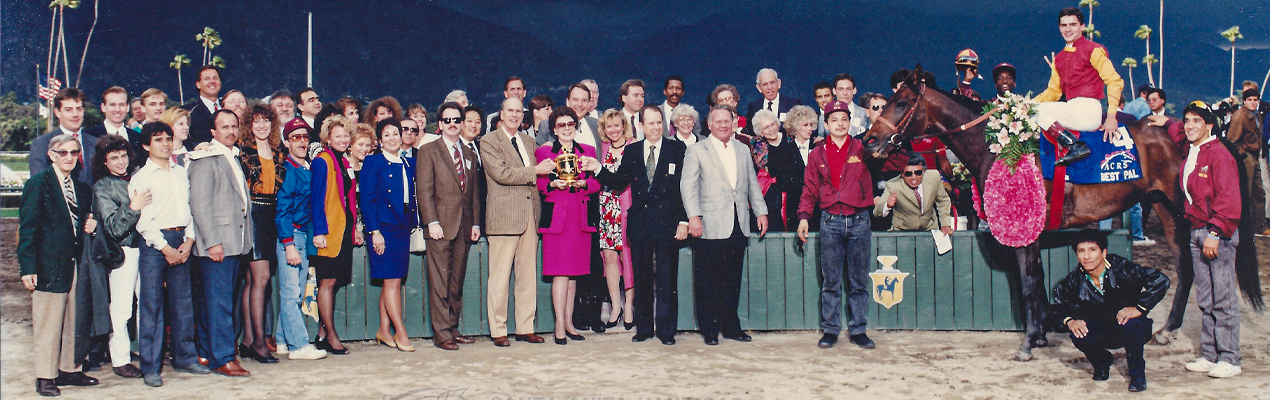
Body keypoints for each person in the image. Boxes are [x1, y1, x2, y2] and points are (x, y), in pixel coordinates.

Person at [586, 105, 689, 345]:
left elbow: (685, 188)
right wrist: (598, 169)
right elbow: (618, 181)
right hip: (640, 225)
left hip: (668, 224)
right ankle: (643, 329)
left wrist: (684, 219)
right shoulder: (632, 151)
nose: (655, 127)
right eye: (650, 123)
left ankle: (666, 331)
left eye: (658, 122)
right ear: (640, 125)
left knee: (666, 279)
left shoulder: (677, 148)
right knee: (642, 279)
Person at [19, 133, 101, 396]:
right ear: (52, 155)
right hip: (48, 265)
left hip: (76, 263)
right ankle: (45, 376)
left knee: (75, 320)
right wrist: (28, 267)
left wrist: (91, 225)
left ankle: (70, 369)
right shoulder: (38, 184)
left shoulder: (82, 189)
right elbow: (28, 229)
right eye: (63, 152)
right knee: (48, 322)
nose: (69, 157)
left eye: (73, 152)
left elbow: (82, 222)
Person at [129, 122, 209, 387]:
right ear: (145, 145)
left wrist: (189, 240)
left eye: (167, 138)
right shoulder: (142, 177)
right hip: (154, 245)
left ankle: (185, 358)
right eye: (158, 139)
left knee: (183, 303)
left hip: (181, 239)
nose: (164, 144)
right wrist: (165, 248)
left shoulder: (180, 172)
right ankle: (150, 366)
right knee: (152, 305)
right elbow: (143, 221)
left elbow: (188, 208)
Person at [682, 104, 769, 345]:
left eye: (727, 121)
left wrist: (761, 212)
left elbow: (752, 183)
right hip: (708, 225)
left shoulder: (742, 149)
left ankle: (731, 327)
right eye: (718, 121)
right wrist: (693, 217)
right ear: (709, 125)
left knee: (732, 280)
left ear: (734, 124)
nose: (723, 125)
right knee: (707, 281)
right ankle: (709, 330)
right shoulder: (697, 150)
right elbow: (688, 187)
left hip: (737, 225)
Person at [796, 100, 875, 350]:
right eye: (834, 120)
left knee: (858, 280)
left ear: (850, 122)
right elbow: (809, 188)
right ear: (826, 124)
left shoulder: (863, 148)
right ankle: (830, 330)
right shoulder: (817, 153)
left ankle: (858, 329)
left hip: (860, 221)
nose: (840, 124)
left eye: (844, 119)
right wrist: (804, 217)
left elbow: (891, 161)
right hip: (830, 222)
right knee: (831, 281)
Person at [1047, 230, 1169, 392]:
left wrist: (1139, 308)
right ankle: (1102, 362)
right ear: (1077, 255)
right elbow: (1057, 306)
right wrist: (1070, 320)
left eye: (1092, 250)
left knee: (1131, 324)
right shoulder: (1074, 279)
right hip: (1101, 329)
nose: (1087, 256)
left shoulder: (1121, 267)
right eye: (1081, 251)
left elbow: (1161, 280)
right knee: (1078, 333)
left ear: (1103, 252)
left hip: (1130, 326)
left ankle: (1137, 374)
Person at [480, 99, 556, 347]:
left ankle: (525, 327)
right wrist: (536, 171)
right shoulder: (489, 141)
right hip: (504, 217)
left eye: (518, 111)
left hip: (530, 216)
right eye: (509, 111)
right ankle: (498, 330)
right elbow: (501, 174)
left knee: (527, 276)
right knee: (499, 277)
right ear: (501, 113)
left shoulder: (528, 141)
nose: (514, 115)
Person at [1178, 102, 1243, 378]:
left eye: (1196, 121)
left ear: (1209, 125)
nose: (1190, 126)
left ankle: (1230, 358)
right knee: (1206, 298)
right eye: (1186, 121)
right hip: (1196, 232)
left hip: (1217, 234)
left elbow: (1229, 198)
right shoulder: (1192, 151)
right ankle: (1210, 354)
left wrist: (1215, 233)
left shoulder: (1219, 154)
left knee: (1223, 298)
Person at [186, 109, 253, 378]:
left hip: (236, 243)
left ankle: (205, 352)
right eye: (224, 127)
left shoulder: (233, 156)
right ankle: (223, 358)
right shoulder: (205, 159)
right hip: (218, 245)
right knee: (220, 304)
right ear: (212, 132)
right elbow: (200, 206)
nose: (230, 131)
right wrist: (212, 242)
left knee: (216, 302)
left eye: (234, 126)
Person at [417, 103, 483, 350]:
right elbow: (424, 190)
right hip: (440, 226)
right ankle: (442, 333)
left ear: (463, 122)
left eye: (457, 119)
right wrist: (431, 222)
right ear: (440, 124)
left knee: (456, 282)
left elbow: (473, 193)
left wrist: (475, 222)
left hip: (464, 226)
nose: (453, 123)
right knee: (440, 282)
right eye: (447, 120)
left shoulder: (469, 153)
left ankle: (453, 328)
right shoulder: (429, 150)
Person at [535, 106, 601, 345]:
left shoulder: (589, 151)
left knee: (574, 274)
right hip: (557, 218)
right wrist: (553, 185)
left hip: (580, 216)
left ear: (576, 126)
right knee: (560, 273)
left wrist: (584, 184)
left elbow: (596, 185)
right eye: (561, 125)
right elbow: (540, 184)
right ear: (554, 129)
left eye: (570, 124)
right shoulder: (544, 152)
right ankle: (559, 325)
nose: (566, 129)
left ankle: (570, 322)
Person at [1033, 7, 1124, 166]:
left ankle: (1075, 146)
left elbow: (1114, 81)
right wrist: (1025, 103)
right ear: (1059, 28)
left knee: (1035, 111)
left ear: (1082, 27)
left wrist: (1111, 117)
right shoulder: (1060, 58)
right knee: (1032, 109)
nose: (1068, 29)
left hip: (1089, 110)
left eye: (1073, 24)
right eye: (1064, 25)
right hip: (1071, 109)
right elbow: (1053, 92)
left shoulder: (1094, 50)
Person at [91, 134, 149, 379]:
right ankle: (120, 359)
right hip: (123, 250)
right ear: (104, 161)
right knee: (122, 308)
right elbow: (114, 227)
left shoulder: (138, 175)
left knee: (147, 304)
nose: (120, 162)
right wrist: (133, 207)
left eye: (123, 156)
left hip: (146, 246)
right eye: (113, 158)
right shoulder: (103, 186)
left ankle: (147, 353)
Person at [359, 118, 421, 352]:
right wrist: (374, 232)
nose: (393, 138)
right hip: (382, 230)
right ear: (379, 140)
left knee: (392, 281)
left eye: (396, 133)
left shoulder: (407, 163)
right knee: (392, 281)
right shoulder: (373, 162)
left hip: (402, 228)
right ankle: (400, 332)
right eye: (387, 135)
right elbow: (367, 200)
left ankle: (384, 330)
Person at [272, 118, 328, 361]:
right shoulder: (289, 171)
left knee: (292, 292)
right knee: (291, 293)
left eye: (305, 137)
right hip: (292, 236)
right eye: (295, 137)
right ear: (286, 142)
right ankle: (298, 345)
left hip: (302, 234)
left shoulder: (306, 168)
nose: (302, 141)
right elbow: (282, 210)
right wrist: (288, 245)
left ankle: (283, 340)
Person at [235, 105, 285, 365]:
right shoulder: (241, 151)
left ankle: (246, 341)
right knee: (260, 277)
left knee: (253, 282)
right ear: (249, 125)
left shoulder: (279, 152)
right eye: (256, 122)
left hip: (272, 215)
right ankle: (257, 342)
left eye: (266, 121)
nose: (262, 126)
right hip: (252, 215)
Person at [309, 115, 360, 355]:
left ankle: (321, 333)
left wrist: (354, 229)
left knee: (334, 283)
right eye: (337, 136)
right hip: (328, 232)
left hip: (343, 231)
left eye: (346, 135)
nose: (342, 139)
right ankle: (331, 335)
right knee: (326, 283)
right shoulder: (322, 161)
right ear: (328, 138)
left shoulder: (344, 162)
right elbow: (317, 199)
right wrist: (319, 232)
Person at [592, 109, 637, 331]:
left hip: (626, 207)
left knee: (627, 257)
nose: (613, 130)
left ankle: (629, 307)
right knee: (609, 257)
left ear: (624, 126)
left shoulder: (633, 146)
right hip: (605, 208)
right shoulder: (602, 149)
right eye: (609, 126)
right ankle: (615, 307)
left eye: (617, 125)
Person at [29, 88, 98, 184]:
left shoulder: (96, 143)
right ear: (57, 112)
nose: (75, 114)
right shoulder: (42, 144)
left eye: (79, 109)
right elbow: (39, 184)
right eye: (68, 110)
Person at [874, 153, 954, 233]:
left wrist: (945, 224)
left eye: (918, 173)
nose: (913, 177)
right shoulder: (893, 185)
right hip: (903, 233)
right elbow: (877, 212)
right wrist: (887, 205)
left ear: (923, 171)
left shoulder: (933, 177)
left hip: (930, 229)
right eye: (908, 174)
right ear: (902, 174)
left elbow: (943, 201)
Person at [1226, 89, 1267, 236]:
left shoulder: (1256, 115)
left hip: (1255, 156)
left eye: (1255, 100)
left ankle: (1260, 226)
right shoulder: (1240, 117)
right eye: (1250, 99)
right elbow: (1232, 141)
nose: (1253, 102)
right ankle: (1241, 227)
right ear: (1244, 101)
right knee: (1245, 193)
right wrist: (1243, 155)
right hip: (1246, 157)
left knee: (1258, 192)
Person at [770, 105, 816, 231]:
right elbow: (782, 181)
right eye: (805, 125)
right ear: (795, 127)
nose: (809, 129)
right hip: (794, 204)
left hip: (816, 204)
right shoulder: (784, 150)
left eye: (811, 125)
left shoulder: (818, 147)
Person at [749, 109, 787, 232]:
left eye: (772, 124)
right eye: (766, 127)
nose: (771, 129)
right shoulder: (757, 145)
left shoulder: (790, 139)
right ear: (760, 132)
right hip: (771, 195)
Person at [537, 83, 601, 147]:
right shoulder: (546, 126)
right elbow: (539, 154)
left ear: (589, 103)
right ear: (567, 102)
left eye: (584, 100)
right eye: (575, 100)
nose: (579, 104)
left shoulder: (596, 125)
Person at [745, 68, 802, 136]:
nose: (769, 87)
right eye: (765, 84)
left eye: (772, 82)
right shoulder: (753, 107)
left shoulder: (793, 104)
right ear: (759, 88)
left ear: (779, 83)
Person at [181, 65, 222, 150]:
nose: (212, 81)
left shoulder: (227, 108)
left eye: (215, 78)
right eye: (207, 79)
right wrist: (195, 146)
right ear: (198, 84)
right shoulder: (187, 111)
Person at [832, 73, 870, 138]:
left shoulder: (864, 113)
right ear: (834, 91)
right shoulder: (825, 114)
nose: (845, 93)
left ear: (854, 90)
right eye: (841, 89)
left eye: (848, 89)